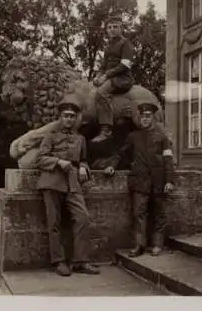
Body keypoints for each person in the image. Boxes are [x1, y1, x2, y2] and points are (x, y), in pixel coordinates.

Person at [36, 95, 100, 276]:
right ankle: (59, 261)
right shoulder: (50, 136)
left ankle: (80, 261)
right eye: (66, 115)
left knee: (83, 218)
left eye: (72, 116)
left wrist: (83, 167)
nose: (69, 119)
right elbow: (39, 159)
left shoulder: (80, 139)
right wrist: (58, 162)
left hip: (73, 183)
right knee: (54, 223)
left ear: (76, 118)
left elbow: (84, 160)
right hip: (51, 181)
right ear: (60, 117)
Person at [103, 102, 175, 257]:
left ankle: (157, 244)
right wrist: (112, 166)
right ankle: (139, 245)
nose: (145, 119)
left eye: (148, 116)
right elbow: (120, 153)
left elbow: (168, 159)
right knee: (138, 213)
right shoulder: (133, 136)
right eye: (142, 116)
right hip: (139, 182)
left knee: (159, 213)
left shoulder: (162, 137)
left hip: (158, 182)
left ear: (153, 117)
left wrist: (169, 180)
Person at [91, 15, 136, 143]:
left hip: (123, 78)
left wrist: (106, 75)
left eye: (115, 27)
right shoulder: (108, 46)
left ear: (121, 28)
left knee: (101, 93)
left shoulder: (126, 44)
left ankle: (106, 130)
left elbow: (125, 65)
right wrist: (98, 76)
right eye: (109, 27)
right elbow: (103, 66)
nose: (112, 29)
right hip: (110, 77)